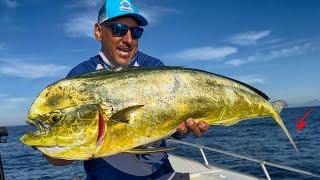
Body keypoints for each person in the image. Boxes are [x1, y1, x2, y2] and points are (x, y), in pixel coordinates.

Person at [46, 0, 209, 179]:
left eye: (136, 31)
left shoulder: (153, 67)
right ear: (98, 31)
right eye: (118, 29)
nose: (128, 40)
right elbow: (58, 160)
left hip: (162, 174)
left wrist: (180, 130)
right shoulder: (80, 78)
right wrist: (52, 146)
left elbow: (171, 125)